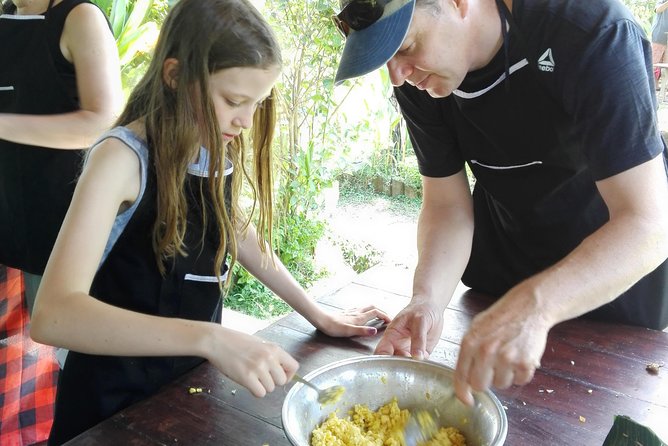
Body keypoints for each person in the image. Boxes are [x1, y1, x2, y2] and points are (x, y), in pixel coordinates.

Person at [29, 0, 391, 443]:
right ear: (176, 76)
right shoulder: (120, 160)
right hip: (108, 411)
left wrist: (318, 313)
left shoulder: (209, 140)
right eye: (234, 100)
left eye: (256, 104)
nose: (245, 120)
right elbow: (53, 315)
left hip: (184, 397)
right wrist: (211, 339)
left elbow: (230, 226)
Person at [332, 0, 668, 407]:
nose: (397, 76)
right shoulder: (423, 77)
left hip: (611, 285)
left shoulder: (589, 29)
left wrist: (536, 307)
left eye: (404, 47)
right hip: (504, 279)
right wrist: (428, 299)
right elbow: (446, 206)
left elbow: (647, 223)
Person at [0, 0, 123, 313]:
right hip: (12, 209)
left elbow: (100, 123)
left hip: (63, 213)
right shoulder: (9, 14)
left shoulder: (80, 17)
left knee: (60, 339)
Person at [651, 1, 668, 84]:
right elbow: (657, 10)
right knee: (653, 62)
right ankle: (653, 85)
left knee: (666, 65)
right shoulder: (662, 1)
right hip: (659, 35)